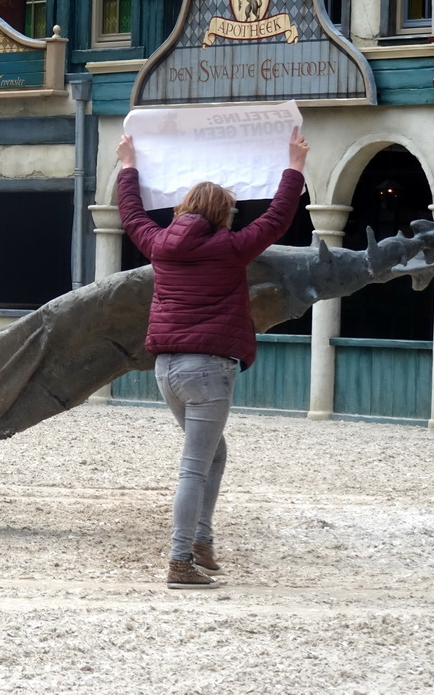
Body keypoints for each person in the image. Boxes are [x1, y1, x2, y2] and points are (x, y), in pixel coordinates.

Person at [116, 127, 309, 589]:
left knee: (212, 455)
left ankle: (201, 540)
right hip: (209, 369)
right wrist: (294, 169)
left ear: (184, 210)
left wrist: (128, 167)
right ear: (224, 214)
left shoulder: (160, 245)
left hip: (166, 369)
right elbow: (278, 218)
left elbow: (131, 213)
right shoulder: (231, 247)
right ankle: (180, 560)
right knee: (194, 465)